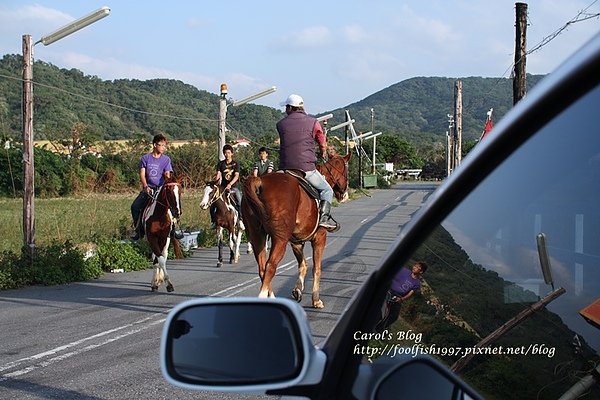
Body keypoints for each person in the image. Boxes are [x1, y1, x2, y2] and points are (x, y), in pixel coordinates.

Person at [276, 94, 338, 231]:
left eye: (286, 107)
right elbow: (322, 141)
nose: (285, 110)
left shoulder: (280, 124)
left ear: (291, 107)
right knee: (327, 190)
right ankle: (323, 219)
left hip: (285, 168)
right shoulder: (313, 122)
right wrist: (323, 152)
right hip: (306, 169)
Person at [130, 134, 182, 240]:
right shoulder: (145, 158)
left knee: (173, 204)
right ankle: (138, 230)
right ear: (154, 145)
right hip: (149, 188)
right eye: (161, 145)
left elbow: (167, 174)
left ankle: (174, 228)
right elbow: (142, 174)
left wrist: (168, 183)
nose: (163, 148)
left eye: (164, 145)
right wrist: (145, 186)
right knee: (135, 206)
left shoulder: (166, 160)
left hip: (161, 188)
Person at [375, 261, 428, 333]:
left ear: (421, 271)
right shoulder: (404, 271)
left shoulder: (417, 283)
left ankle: (379, 329)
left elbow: (410, 293)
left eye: (417, 267)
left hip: (397, 297)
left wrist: (401, 299)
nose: (414, 268)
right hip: (388, 290)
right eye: (415, 266)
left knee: (394, 316)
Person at [216, 144, 242, 216]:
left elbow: (236, 176)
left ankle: (241, 219)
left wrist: (230, 184)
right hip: (223, 187)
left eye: (228, 153)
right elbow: (218, 174)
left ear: (232, 153)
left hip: (234, 186)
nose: (226, 154)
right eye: (225, 153)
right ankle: (214, 221)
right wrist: (216, 184)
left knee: (240, 202)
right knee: (214, 202)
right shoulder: (220, 164)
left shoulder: (236, 163)